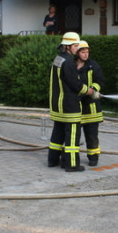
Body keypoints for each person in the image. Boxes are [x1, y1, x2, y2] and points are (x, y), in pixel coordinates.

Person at [48, 32, 98, 172]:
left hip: (57, 105)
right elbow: (75, 84)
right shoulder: (69, 62)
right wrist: (88, 91)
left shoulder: (58, 59)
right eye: (75, 46)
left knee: (57, 134)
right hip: (70, 105)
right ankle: (72, 164)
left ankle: (52, 160)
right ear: (67, 46)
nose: (77, 48)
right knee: (73, 136)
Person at [75, 40, 104, 166]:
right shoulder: (71, 65)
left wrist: (93, 89)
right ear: (77, 53)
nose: (86, 54)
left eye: (87, 52)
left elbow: (100, 81)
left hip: (91, 107)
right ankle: (71, 158)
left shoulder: (93, 66)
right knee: (74, 136)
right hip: (75, 106)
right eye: (83, 52)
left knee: (92, 135)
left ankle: (93, 157)